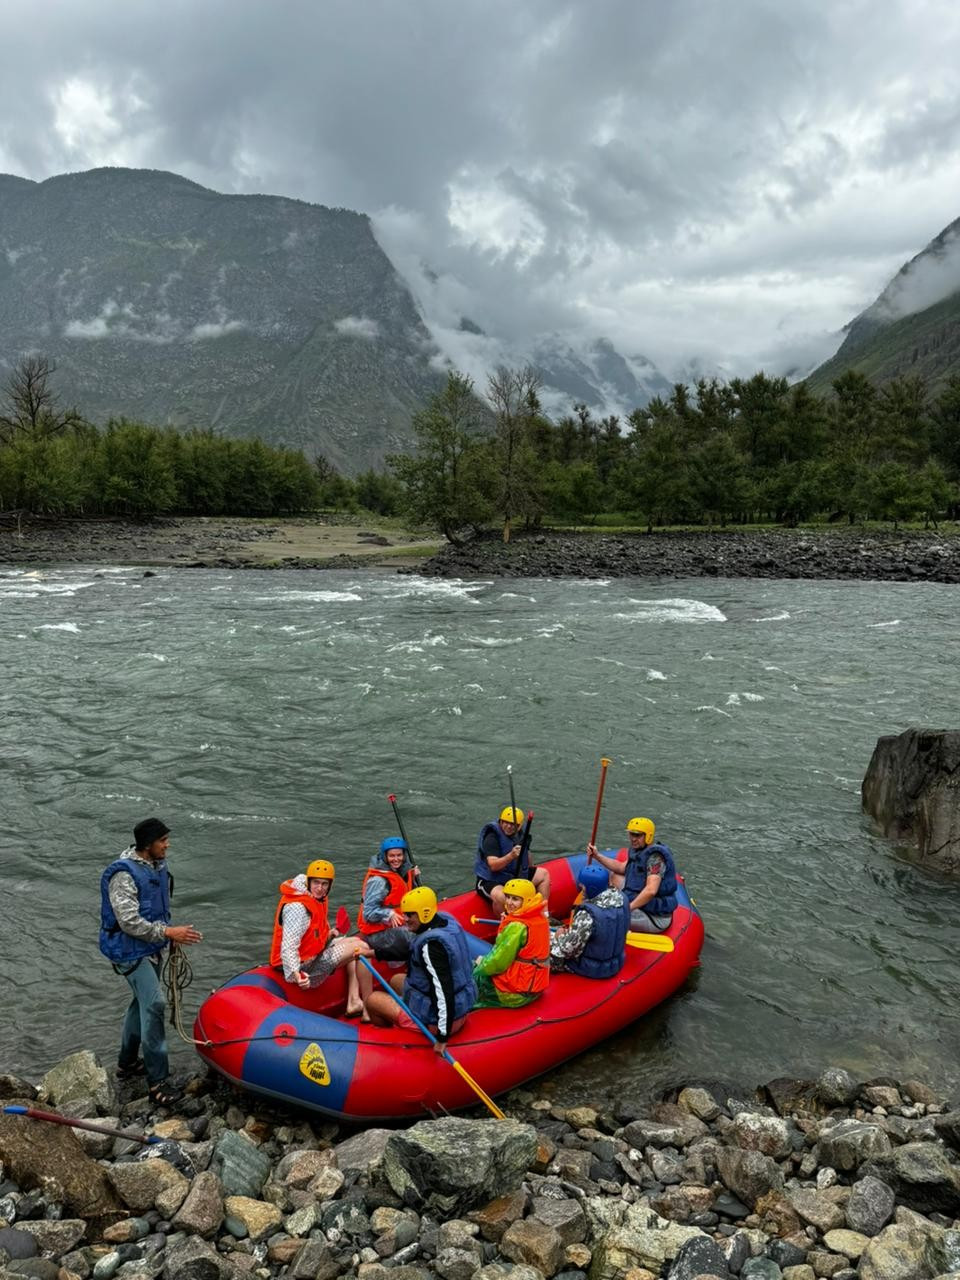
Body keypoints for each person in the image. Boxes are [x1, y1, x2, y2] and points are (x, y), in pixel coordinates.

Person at [99, 817, 202, 1107]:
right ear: (147, 845)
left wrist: (165, 936)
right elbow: (129, 922)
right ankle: (158, 1081)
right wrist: (169, 932)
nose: (167, 845)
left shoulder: (155, 866)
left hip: (152, 947)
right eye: (162, 840)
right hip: (128, 952)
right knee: (155, 1004)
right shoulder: (123, 876)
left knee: (141, 1003)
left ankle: (127, 1063)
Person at [363, 886, 476, 1053]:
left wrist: (442, 1037)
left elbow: (443, 991)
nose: (405, 918)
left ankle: (390, 1043)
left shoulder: (432, 947)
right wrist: (372, 953)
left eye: (410, 915)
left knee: (372, 1000)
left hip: (440, 1022)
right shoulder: (444, 922)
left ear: (424, 913)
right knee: (396, 980)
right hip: (460, 1006)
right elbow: (408, 949)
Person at [270, 858, 369, 1016]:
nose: (320, 888)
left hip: (313, 954)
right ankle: (364, 1002)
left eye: (324, 884)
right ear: (309, 881)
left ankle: (353, 1000)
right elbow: (288, 946)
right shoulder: (298, 908)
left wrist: (329, 934)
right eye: (316, 883)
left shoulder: (315, 897)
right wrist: (296, 974)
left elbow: (311, 934)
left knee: (356, 941)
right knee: (362, 949)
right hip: (301, 966)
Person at [588, 817, 679, 933]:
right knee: (615, 876)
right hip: (642, 905)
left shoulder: (655, 859)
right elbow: (621, 868)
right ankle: (615, 905)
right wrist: (597, 856)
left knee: (601, 918)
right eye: (631, 834)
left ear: (648, 836)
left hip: (654, 917)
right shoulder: (639, 851)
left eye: (638, 836)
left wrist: (628, 908)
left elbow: (651, 890)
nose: (633, 839)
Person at [473, 878, 550, 1008]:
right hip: (534, 987)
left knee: (471, 978)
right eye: (508, 897)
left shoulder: (517, 927)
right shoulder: (540, 917)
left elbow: (498, 962)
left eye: (515, 899)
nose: (508, 902)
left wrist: (479, 966)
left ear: (527, 900)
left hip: (516, 993)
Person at [550, 864, 631, 976]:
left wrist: (559, 937)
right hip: (616, 962)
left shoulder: (587, 914)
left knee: (546, 938)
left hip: (590, 968)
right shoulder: (623, 899)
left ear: (592, 889)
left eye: (582, 888)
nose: (581, 891)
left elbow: (568, 950)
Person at [474, 805, 551, 916]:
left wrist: (527, 877)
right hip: (492, 879)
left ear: (519, 826)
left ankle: (544, 915)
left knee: (543, 874)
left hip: (514, 875)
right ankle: (506, 924)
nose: (508, 826)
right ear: (500, 821)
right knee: (503, 896)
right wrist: (511, 856)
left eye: (512, 824)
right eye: (505, 822)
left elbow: (527, 855)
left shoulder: (523, 835)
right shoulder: (492, 837)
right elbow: (493, 865)